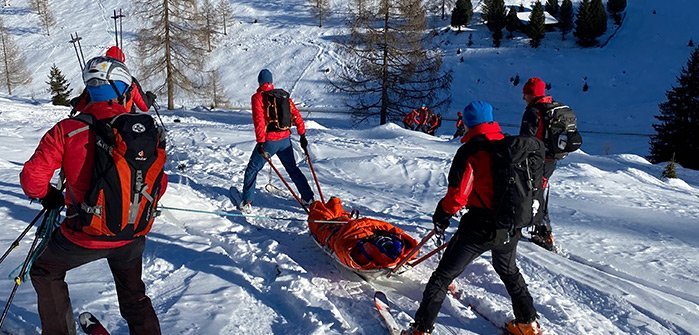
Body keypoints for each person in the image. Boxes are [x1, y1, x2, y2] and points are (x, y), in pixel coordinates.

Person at [20, 56, 164, 335]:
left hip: (82, 235)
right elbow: (160, 182)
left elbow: (31, 179)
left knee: (44, 270)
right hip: (131, 234)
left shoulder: (68, 129)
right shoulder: (142, 132)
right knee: (134, 294)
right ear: (124, 90)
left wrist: (49, 195)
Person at [403, 101, 542, 335]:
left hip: (479, 228)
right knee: (509, 272)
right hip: (509, 225)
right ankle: (527, 324)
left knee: (442, 277)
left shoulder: (471, 152)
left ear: (467, 123)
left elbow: (458, 197)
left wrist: (442, 215)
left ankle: (420, 329)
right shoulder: (510, 145)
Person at [239, 69, 314, 213]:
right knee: (292, 169)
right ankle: (308, 198)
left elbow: (259, 121)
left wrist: (261, 142)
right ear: (271, 81)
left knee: (252, 169)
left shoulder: (258, 97)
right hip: (285, 139)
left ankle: (247, 201)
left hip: (269, 141)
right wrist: (302, 134)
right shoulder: (282, 96)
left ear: (259, 81)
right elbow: (296, 115)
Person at [519, 77, 562, 251]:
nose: (523, 97)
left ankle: (543, 231)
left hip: (537, 160)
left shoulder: (533, 112)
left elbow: (526, 139)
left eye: (525, 94)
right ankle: (542, 230)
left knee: (533, 192)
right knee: (538, 191)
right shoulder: (551, 107)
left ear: (531, 94)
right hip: (550, 159)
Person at [71, 46, 156, 114]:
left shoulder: (96, 81)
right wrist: (150, 97)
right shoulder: (129, 81)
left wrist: (75, 102)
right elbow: (144, 106)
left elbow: (80, 105)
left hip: (97, 119)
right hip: (124, 120)